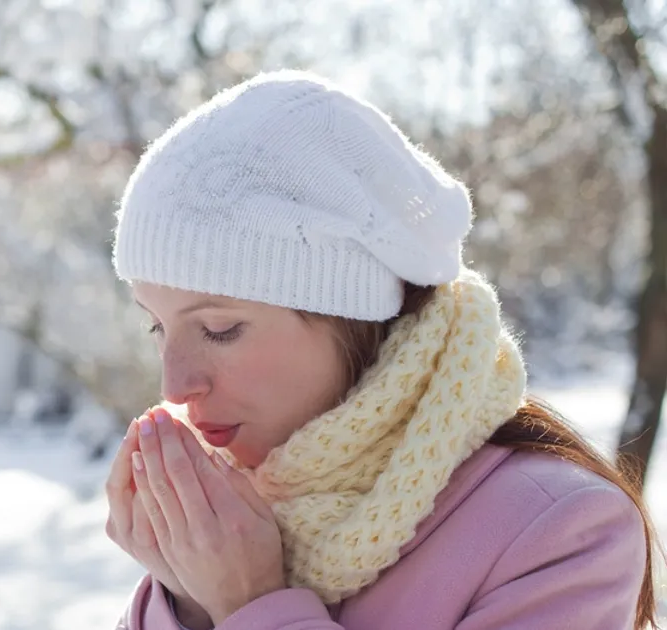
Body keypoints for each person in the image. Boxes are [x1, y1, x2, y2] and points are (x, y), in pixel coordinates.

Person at [104, 69, 659, 630]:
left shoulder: (559, 531)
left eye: (220, 329)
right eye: (157, 328)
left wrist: (249, 606)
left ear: (351, 317)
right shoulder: (231, 520)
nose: (174, 386)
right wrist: (186, 602)